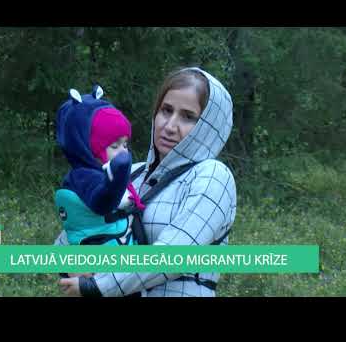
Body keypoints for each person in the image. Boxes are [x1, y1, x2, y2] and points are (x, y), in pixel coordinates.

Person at [59, 67, 236, 297]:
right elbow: (75, 228)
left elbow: (174, 255)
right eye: (166, 110)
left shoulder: (212, 176)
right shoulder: (131, 173)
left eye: (188, 117)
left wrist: (99, 286)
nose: (170, 126)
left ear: (208, 127)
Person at [54, 85, 145, 251]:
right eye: (114, 146)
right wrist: (118, 178)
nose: (124, 152)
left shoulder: (95, 171)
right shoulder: (84, 177)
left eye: (125, 144)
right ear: (87, 147)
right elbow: (102, 202)